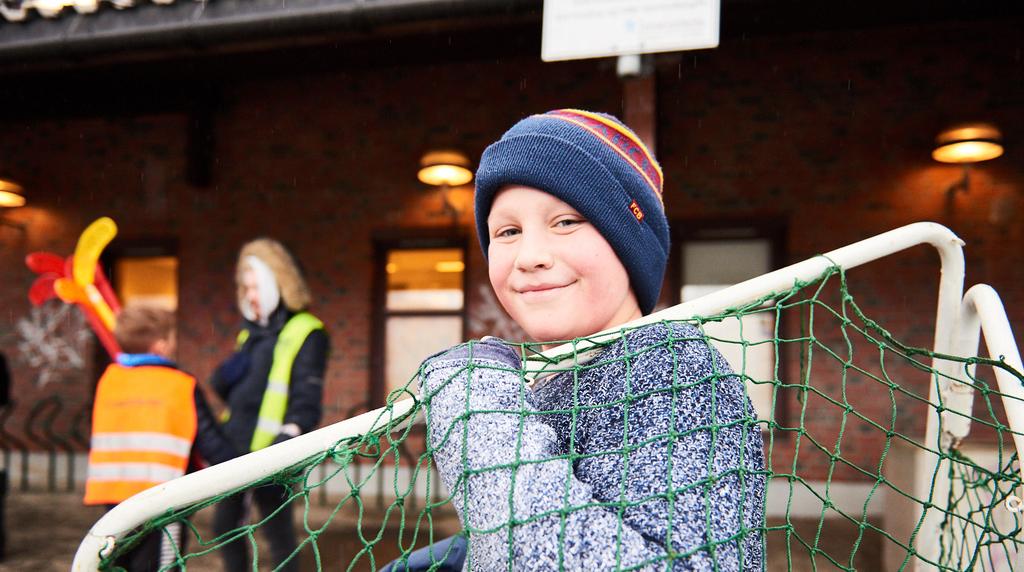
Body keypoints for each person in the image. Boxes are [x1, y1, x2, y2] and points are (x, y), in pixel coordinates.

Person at [408, 109, 766, 570]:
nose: (530, 256)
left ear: (628, 242)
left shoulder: (670, 365)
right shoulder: (552, 377)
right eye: (509, 231)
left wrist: (474, 398)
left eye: (566, 222)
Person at [84, 303, 237, 572]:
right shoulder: (178, 384)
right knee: (161, 567)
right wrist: (247, 467)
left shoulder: (109, 380)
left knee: (121, 564)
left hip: (115, 500)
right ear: (160, 345)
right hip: (165, 500)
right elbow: (211, 442)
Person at [210, 238, 329, 572]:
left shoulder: (307, 331)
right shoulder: (250, 335)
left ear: (277, 284)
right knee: (224, 526)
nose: (250, 296)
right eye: (245, 288)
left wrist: (290, 434)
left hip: (273, 452)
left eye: (256, 287)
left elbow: (307, 395)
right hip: (234, 447)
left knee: (277, 534)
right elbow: (239, 393)